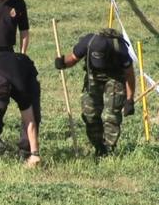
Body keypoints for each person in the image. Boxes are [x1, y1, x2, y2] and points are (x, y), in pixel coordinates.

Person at [54, 28, 136, 157]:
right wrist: (63, 63)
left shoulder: (119, 48)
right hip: (93, 76)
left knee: (112, 115)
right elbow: (73, 58)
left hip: (114, 77)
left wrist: (130, 99)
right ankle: (99, 147)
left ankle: (109, 150)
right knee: (89, 114)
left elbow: (129, 75)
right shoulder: (87, 42)